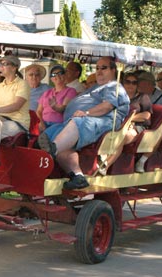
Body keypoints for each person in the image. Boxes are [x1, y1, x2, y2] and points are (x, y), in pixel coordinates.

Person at [36, 56, 130, 189]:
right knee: (53, 132)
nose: (99, 71)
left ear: (114, 70)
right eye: (97, 68)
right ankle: (78, 176)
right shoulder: (97, 86)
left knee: (76, 123)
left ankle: (52, 150)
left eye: (104, 68)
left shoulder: (113, 86)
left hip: (102, 120)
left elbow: (107, 106)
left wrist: (86, 113)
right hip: (78, 120)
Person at [0, 55, 31, 166]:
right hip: (0, 120)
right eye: (0, 65)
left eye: (4, 64)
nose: (0, 67)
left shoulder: (22, 84)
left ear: (14, 68)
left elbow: (16, 106)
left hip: (18, 123)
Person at [101, 71, 152, 174]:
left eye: (134, 83)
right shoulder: (117, 96)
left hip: (136, 127)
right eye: (128, 82)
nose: (131, 85)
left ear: (137, 85)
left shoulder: (143, 97)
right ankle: (99, 159)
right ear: (123, 83)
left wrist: (129, 119)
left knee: (121, 137)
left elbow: (147, 115)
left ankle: (105, 166)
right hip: (117, 124)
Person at [36, 64, 77, 132]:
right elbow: (39, 111)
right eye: (53, 75)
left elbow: (63, 108)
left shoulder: (70, 91)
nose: (57, 76)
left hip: (58, 125)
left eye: (60, 73)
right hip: (43, 123)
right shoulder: (47, 92)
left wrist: (55, 107)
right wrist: (41, 122)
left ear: (65, 75)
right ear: (51, 79)